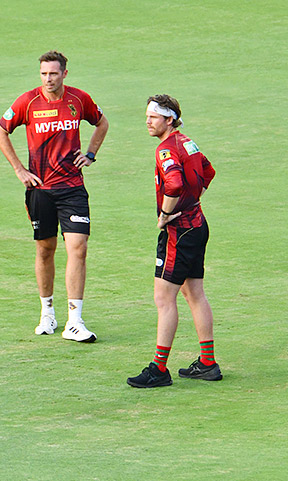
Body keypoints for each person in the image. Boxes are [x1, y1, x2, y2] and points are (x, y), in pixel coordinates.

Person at [0, 50, 109, 342]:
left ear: (64, 74)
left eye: (53, 73)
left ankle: (75, 321)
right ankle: (47, 314)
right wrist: (19, 170)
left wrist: (91, 154)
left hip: (72, 188)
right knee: (45, 250)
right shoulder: (27, 101)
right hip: (40, 190)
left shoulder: (79, 100)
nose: (48, 79)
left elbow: (102, 123)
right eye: (44, 73)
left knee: (78, 248)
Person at [127, 95, 219, 388]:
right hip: (198, 226)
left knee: (164, 299)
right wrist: (193, 200)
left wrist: (166, 214)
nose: (147, 122)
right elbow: (208, 171)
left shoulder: (166, 149)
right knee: (195, 294)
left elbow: (175, 183)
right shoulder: (187, 141)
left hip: (178, 233)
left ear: (169, 119)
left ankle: (159, 369)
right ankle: (207, 363)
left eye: (153, 117)